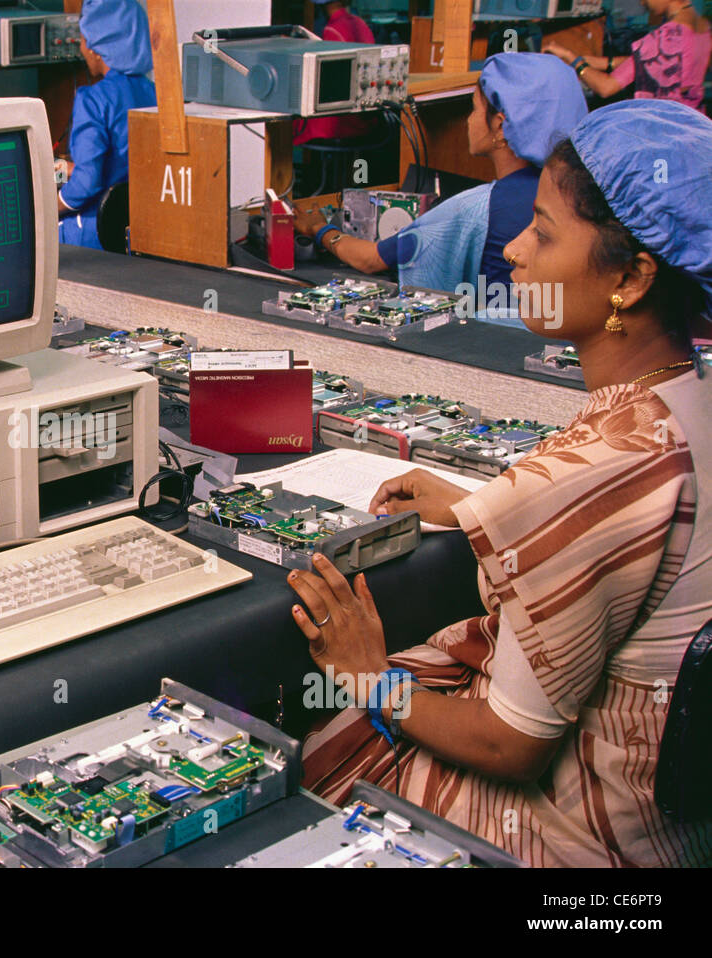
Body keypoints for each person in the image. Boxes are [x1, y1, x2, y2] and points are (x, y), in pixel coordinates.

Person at [289, 99, 712, 866]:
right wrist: (488, 502)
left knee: (309, 756)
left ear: (632, 277)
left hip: (573, 842)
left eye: (543, 233)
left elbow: (508, 745)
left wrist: (366, 676)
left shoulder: (590, 475)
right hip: (678, 834)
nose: (513, 250)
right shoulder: (687, 400)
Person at [294, 52, 586, 321]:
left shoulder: (474, 209)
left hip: (494, 349)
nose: (468, 122)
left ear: (499, 126)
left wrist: (319, 229)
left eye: (472, 109)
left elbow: (370, 260)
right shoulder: (580, 195)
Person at [56, 0, 156, 250]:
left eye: (82, 39)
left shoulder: (93, 100)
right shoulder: (156, 93)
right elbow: (121, 164)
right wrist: (67, 168)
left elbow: (87, 183)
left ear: (95, 48)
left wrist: (49, 207)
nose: (81, 48)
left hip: (95, 231)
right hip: (139, 228)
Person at [545, 0, 711, 113]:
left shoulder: (664, 36)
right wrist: (597, 62)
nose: (642, 2)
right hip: (694, 120)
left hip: (666, 130)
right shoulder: (703, 26)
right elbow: (661, 61)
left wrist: (572, 59)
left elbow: (606, 88)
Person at [295, 0, 378, 146]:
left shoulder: (332, 30)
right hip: (367, 117)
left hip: (344, 121)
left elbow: (329, 81)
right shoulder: (360, 23)